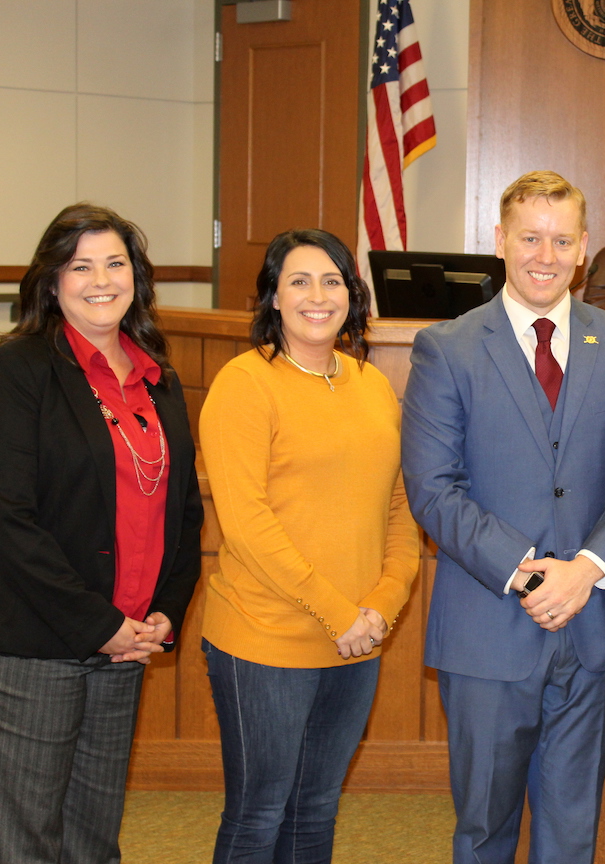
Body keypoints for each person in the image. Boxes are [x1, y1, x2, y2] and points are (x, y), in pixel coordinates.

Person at [402, 170, 605, 864]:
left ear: (584, 248)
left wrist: (584, 570)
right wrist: (525, 572)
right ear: (499, 240)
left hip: (592, 626)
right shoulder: (447, 348)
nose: (544, 256)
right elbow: (434, 488)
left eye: (560, 240)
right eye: (529, 237)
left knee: (571, 831)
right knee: (485, 829)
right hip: (488, 632)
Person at [0, 203, 203, 863]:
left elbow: (182, 510)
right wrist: (95, 622)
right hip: (35, 645)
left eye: (115, 263)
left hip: (125, 647)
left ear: (137, 278)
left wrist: (163, 612)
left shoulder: (156, 378)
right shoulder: (20, 371)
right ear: (52, 281)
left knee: (93, 842)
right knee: (24, 843)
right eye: (81, 266)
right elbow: (9, 522)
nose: (101, 279)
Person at [199, 228, 420, 862]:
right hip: (265, 639)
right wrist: (338, 610)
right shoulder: (245, 385)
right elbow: (247, 524)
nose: (316, 296)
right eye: (298, 281)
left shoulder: (370, 384)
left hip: (357, 638)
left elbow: (399, 509)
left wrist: (381, 605)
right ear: (272, 298)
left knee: (316, 809)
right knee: (259, 813)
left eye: (332, 281)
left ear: (352, 296)